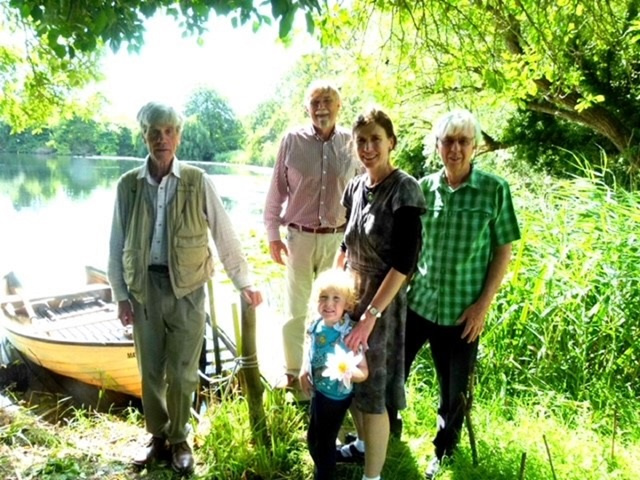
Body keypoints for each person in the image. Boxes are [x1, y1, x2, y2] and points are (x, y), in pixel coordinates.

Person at [107, 102, 262, 475]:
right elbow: (115, 245)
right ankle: (156, 437)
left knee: (182, 372)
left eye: (169, 131)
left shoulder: (197, 181)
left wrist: (245, 281)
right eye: (154, 132)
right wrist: (121, 295)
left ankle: (179, 438)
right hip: (144, 290)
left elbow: (225, 235)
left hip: (188, 289)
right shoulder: (128, 186)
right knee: (150, 372)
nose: (162, 139)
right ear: (144, 135)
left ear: (178, 135)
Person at [405, 109, 520, 479]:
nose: (455, 149)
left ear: (474, 146)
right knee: (392, 372)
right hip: (418, 304)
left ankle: (444, 449)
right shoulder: (421, 189)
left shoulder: (494, 189)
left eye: (463, 141)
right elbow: (408, 246)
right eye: (448, 141)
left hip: (462, 312)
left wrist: (482, 306)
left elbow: (504, 249)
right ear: (438, 146)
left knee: (454, 390)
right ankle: (383, 434)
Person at [335, 107, 426, 480]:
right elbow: (345, 244)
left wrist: (370, 317)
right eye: (361, 141)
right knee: (349, 381)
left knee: (372, 390)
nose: (368, 147)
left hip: (382, 305)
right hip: (350, 297)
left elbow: (403, 265)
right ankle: (359, 444)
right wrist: (330, 294)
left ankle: (373, 477)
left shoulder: (405, 189)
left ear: (391, 142)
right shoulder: (356, 187)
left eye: (375, 139)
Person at [264, 80, 361, 390]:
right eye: (316, 101)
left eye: (328, 101)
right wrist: (272, 233)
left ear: (338, 106)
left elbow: (362, 192)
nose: (322, 107)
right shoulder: (292, 140)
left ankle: (329, 371)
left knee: (336, 307)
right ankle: (293, 374)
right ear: (307, 107)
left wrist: (358, 238)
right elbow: (276, 190)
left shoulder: (351, 142)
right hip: (300, 238)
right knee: (296, 309)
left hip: (338, 240)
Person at [299, 268, 369, 480]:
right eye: (323, 297)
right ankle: (322, 463)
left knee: (325, 440)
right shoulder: (316, 325)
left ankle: (325, 472)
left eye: (335, 298)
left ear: (347, 304)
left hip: (336, 398)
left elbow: (364, 372)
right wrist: (303, 368)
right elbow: (309, 346)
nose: (328, 304)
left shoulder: (349, 334)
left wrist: (349, 370)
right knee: (313, 436)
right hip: (318, 392)